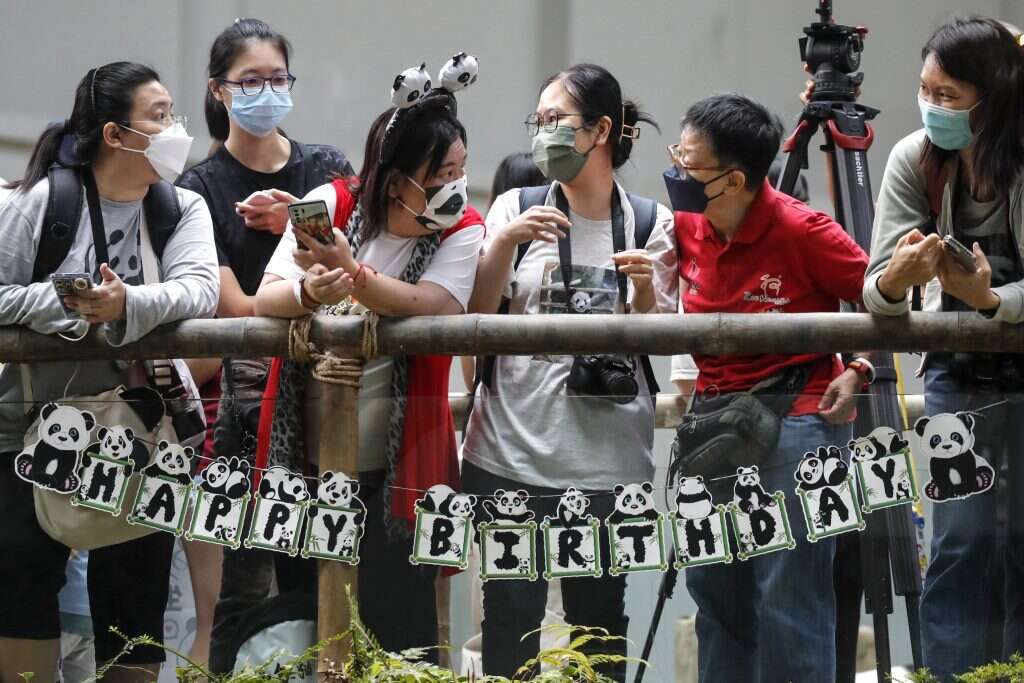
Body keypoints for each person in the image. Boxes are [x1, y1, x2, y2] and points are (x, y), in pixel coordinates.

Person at [253, 55, 484, 657]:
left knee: (400, 635)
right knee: (307, 626)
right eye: (440, 174)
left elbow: (434, 303)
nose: (454, 185)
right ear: (394, 178)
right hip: (307, 458)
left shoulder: (462, 228)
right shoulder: (331, 202)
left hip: (405, 468)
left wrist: (351, 275)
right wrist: (309, 292)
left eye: (462, 168)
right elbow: (265, 301)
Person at [0, 62, 218, 683]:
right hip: (24, 429)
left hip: (139, 435)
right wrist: (62, 303)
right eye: (160, 115)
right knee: (22, 588)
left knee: (135, 603)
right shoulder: (46, 200)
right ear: (117, 135)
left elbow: (200, 292)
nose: (176, 127)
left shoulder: (183, 207)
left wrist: (127, 305)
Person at [462, 63, 677, 682]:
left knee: (600, 634)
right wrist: (505, 243)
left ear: (601, 131)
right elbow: (474, 318)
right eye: (540, 121)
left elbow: (655, 340)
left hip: (607, 464)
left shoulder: (647, 221)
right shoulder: (513, 205)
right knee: (509, 630)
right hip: (509, 453)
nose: (543, 133)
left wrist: (641, 291)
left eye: (557, 121)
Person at [661, 93, 869, 682]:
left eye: (689, 162)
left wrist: (860, 367)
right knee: (715, 594)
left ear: (734, 179)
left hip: (801, 423)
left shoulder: (805, 231)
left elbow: (883, 297)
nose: (677, 170)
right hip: (715, 428)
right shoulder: (685, 228)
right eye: (677, 153)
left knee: (790, 599)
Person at [175, 18, 353, 673]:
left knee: (323, 573)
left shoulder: (326, 169)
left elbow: (351, 270)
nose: (266, 92)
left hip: (327, 393)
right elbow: (244, 311)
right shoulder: (200, 190)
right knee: (240, 584)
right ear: (219, 90)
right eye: (250, 81)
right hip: (244, 410)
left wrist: (297, 218)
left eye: (278, 79)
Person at [862, 17, 1024, 680]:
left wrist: (989, 300)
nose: (932, 106)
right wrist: (897, 282)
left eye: (949, 95)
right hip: (954, 377)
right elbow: (875, 288)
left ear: (996, 96)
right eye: (926, 90)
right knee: (957, 541)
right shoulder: (913, 158)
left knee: (1019, 545)